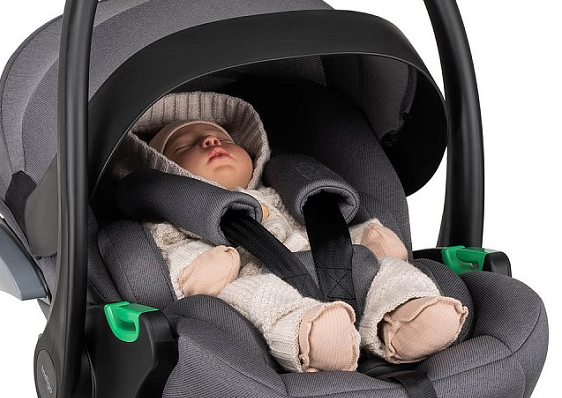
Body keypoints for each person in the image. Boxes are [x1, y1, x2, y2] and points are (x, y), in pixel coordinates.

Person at [117, 90, 467, 372]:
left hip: (333, 263)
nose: (211, 142)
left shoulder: (284, 195)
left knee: (385, 271)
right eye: (184, 146)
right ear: (165, 169)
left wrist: (365, 237)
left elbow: (327, 228)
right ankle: (311, 338)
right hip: (253, 278)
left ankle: (408, 316)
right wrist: (201, 268)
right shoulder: (173, 221)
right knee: (264, 297)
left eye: (222, 138)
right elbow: (174, 256)